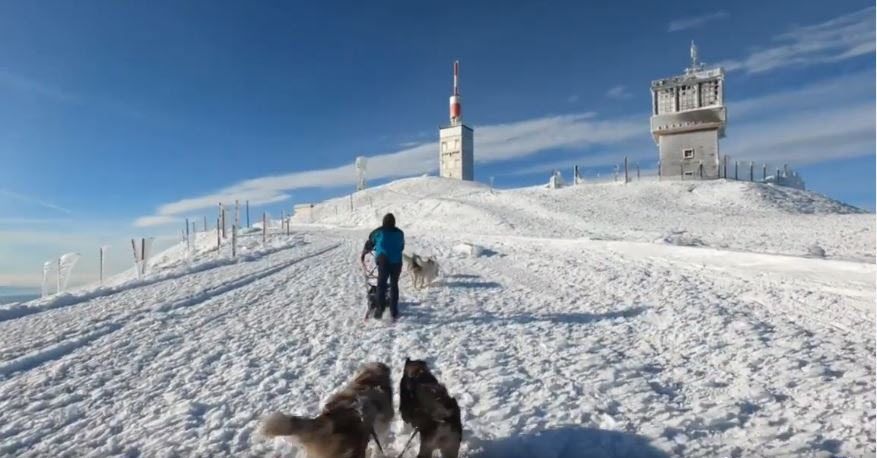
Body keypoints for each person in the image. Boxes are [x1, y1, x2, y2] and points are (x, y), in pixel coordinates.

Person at [362, 213, 405, 321]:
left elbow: (370, 241)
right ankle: (393, 310)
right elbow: (401, 246)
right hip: (397, 261)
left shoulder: (378, 232)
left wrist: (366, 250)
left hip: (384, 260)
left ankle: (379, 310)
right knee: (394, 284)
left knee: (381, 284)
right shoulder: (400, 233)